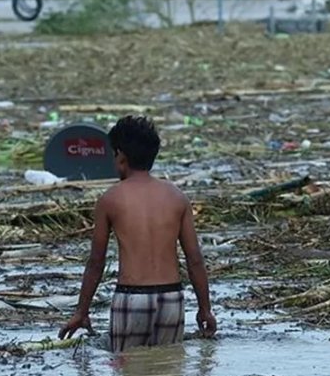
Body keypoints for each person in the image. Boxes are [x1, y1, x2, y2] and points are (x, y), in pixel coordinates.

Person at [59, 116, 217, 352]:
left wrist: (81, 311)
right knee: (168, 373)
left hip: (131, 300)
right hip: (171, 299)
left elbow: (96, 262)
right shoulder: (177, 197)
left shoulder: (110, 199)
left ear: (121, 156)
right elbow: (194, 260)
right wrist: (205, 309)